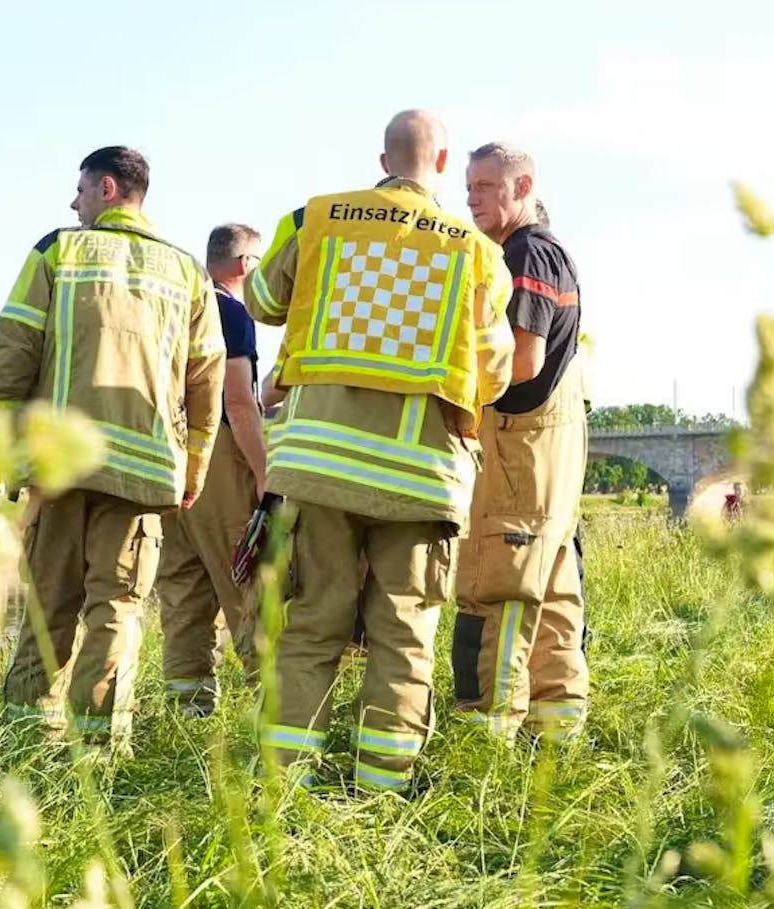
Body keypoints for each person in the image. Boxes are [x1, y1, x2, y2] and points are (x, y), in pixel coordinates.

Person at [246, 109, 514, 792]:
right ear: (445, 164)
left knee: (309, 626)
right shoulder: (476, 252)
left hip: (318, 464)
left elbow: (261, 299)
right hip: (418, 477)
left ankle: (286, 785)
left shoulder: (317, 218)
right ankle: (382, 792)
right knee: (404, 633)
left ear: (382, 158)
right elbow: (495, 370)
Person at [0, 146, 225, 743]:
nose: (74, 201)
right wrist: (193, 470)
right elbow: (206, 381)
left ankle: (27, 741)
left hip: (58, 467)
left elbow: (14, 352)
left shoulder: (57, 251)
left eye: (82, 189)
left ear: (110, 189)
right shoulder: (189, 271)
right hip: (142, 476)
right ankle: (99, 748)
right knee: (116, 611)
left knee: (47, 608)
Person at [452, 142, 589, 741]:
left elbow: (524, 360)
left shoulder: (525, 253)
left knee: (496, 591)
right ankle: (556, 734)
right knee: (553, 594)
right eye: (468, 184)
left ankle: (490, 738)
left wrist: (449, 387)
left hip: (516, 452)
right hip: (546, 454)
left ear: (522, 185)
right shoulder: (547, 251)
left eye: (484, 185)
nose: (470, 196)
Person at [154, 224, 268, 717]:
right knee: (245, 582)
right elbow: (239, 402)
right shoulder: (232, 312)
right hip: (217, 453)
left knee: (182, 592)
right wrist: (265, 475)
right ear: (244, 264)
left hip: (166, 455)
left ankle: (189, 712)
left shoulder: (175, 304)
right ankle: (273, 705)